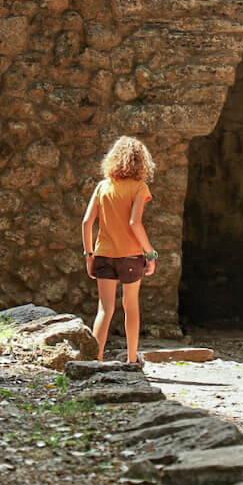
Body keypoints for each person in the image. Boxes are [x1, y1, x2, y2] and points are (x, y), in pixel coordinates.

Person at [81, 136, 159, 363]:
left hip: (103, 254)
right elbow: (135, 223)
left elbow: (87, 223)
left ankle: (94, 359)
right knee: (131, 306)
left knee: (104, 310)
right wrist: (150, 254)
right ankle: (132, 359)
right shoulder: (139, 188)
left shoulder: (102, 187)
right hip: (130, 257)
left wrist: (89, 256)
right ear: (141, 162)